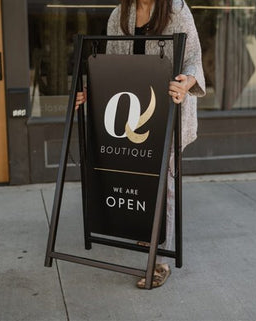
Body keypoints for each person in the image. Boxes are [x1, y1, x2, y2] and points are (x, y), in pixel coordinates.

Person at [75, 0, 205, 289]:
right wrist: (90, 91)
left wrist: (186, 82)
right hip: (132, 116)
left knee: (164, 184)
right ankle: (147, 228)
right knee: (138, 175)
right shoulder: (119, 15)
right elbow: (110, 66)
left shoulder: (177, 11)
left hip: (168, 110)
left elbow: (194, 58)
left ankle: (159, 260)